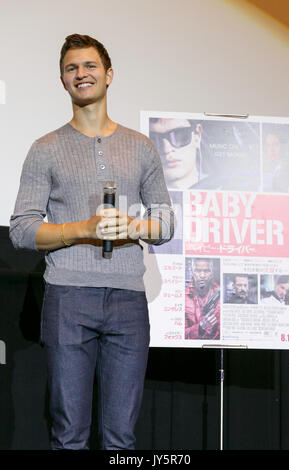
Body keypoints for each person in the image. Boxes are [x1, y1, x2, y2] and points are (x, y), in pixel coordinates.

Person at [9, 34, 174, 450]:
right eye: (71, 68)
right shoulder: (45, 148)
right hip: (68, 299)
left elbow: (166, 221)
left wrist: (133, 228)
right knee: (69, 435)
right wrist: (82, 229)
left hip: (127, 301)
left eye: (89, 66)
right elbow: (22, 229)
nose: (81, 74)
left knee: (121, 438)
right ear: (63, 81)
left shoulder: (141, 146)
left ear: (109, 74)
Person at [149, 118, 204, 189]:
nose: (166, 149)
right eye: (154, 139)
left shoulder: (220, 184)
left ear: (197, 135)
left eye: (178, 135)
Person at [185, 258, 220, 340]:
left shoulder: (220, 295)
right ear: (192, 271)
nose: (202, 275)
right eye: (198, 270)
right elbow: (179, 334)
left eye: (207, 271)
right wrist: (200, 328)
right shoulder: (184, 298)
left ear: (211, 272)